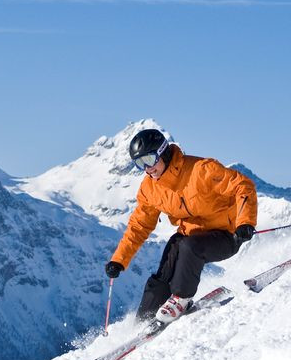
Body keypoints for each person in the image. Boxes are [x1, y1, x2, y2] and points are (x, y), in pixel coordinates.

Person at [104, 128, 258, 324]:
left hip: (227, 235)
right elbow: (139, 225)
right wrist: (119, 260)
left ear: (163, 152)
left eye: (149, 160)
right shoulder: (150, 188)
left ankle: (181, 299)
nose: (147, 169)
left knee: (189, 246)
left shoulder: (201, 170)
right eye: (139, 164)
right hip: (191, 235)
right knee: (168, 261)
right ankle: (144, 320)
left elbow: (243, 185)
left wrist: (245, 222)